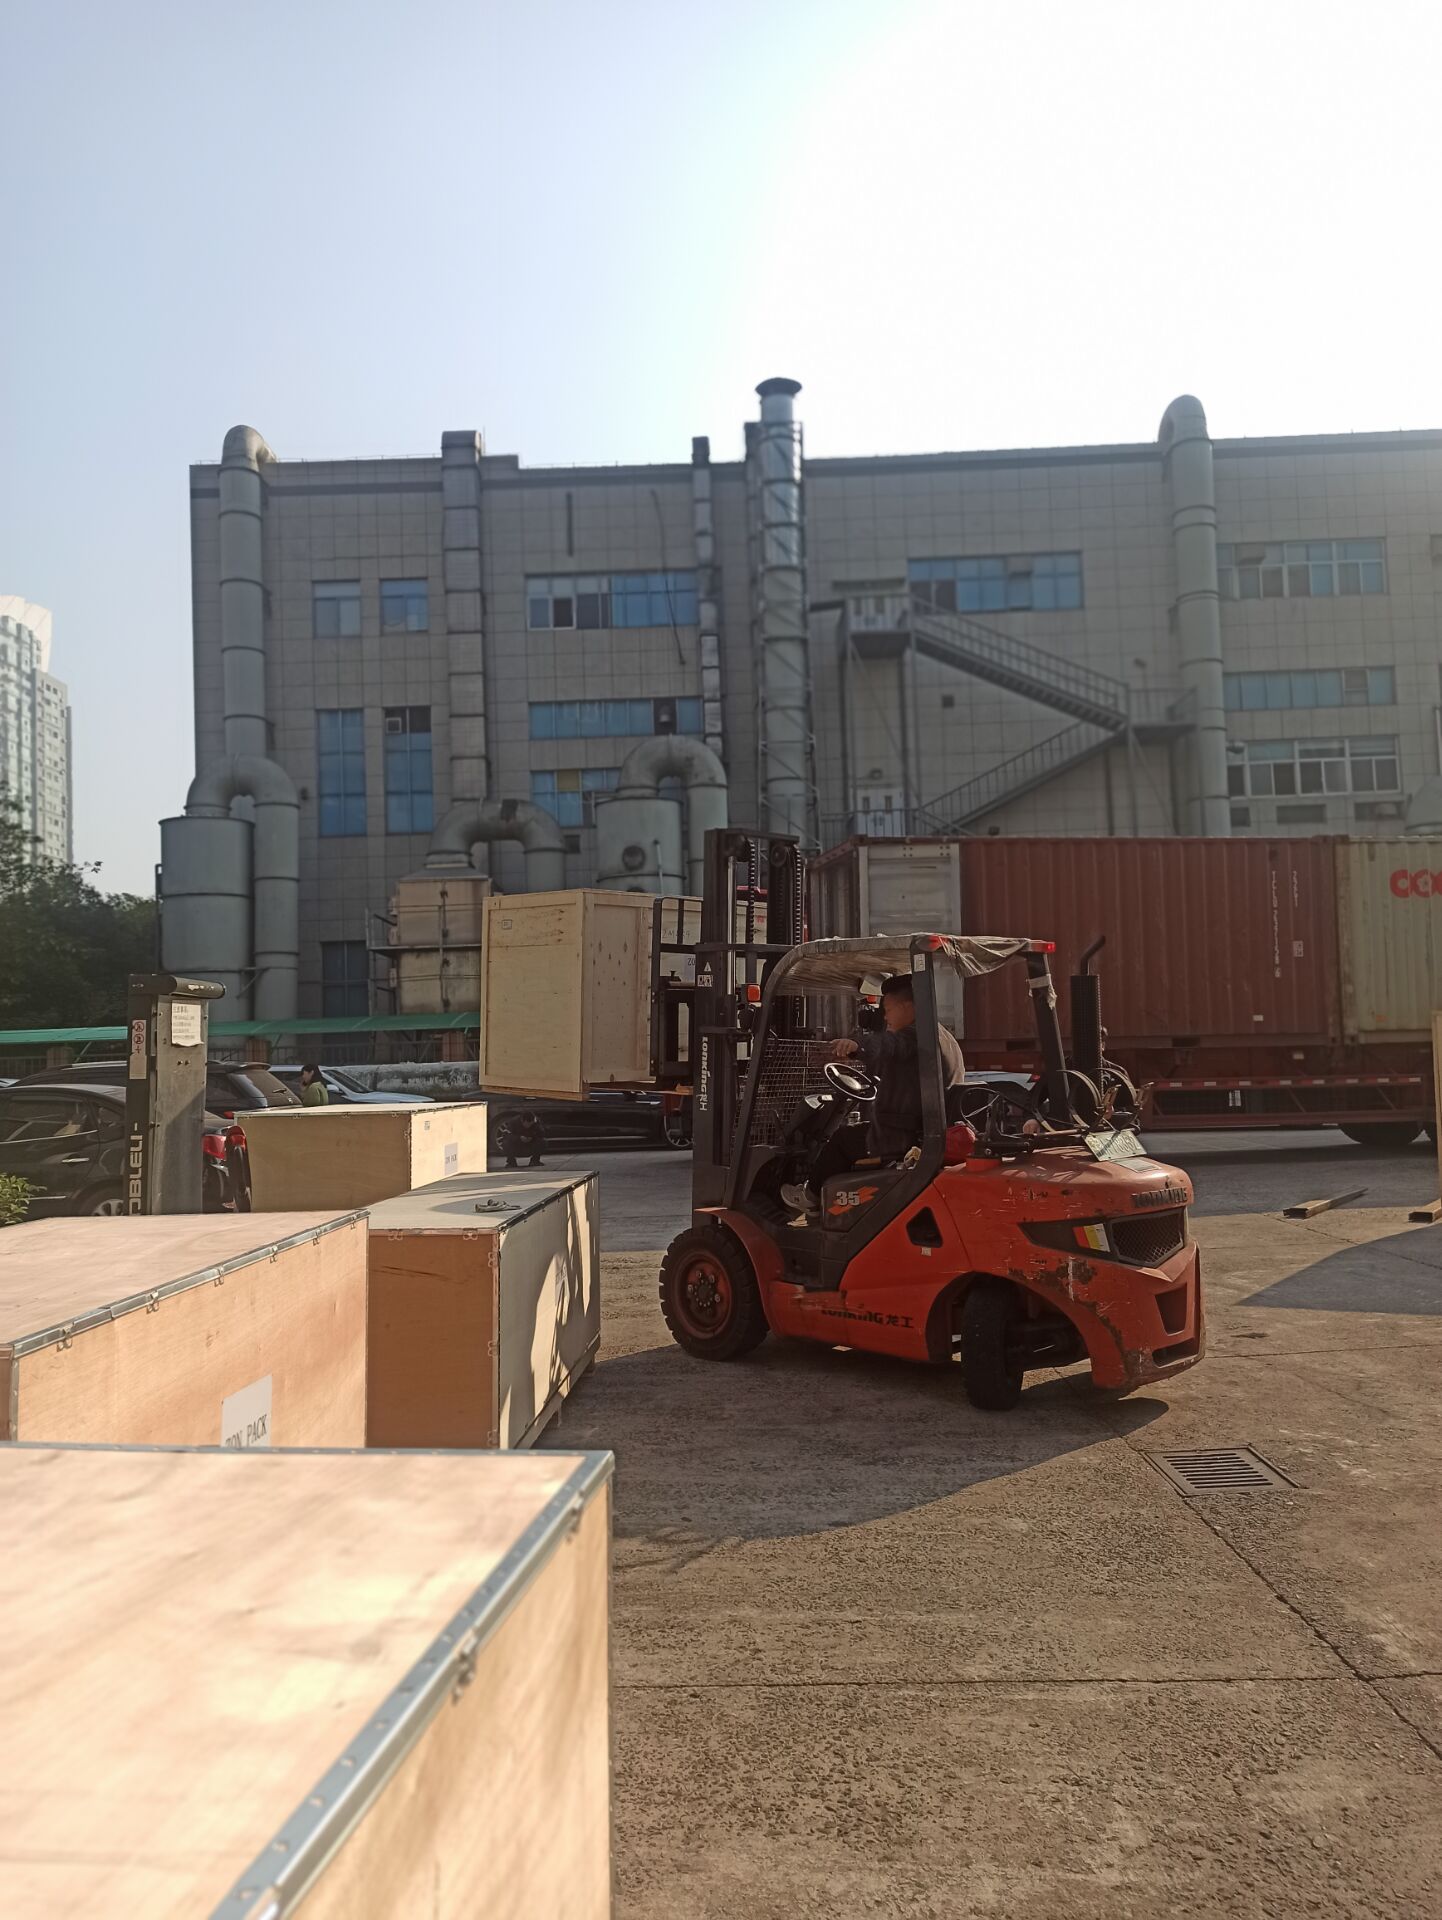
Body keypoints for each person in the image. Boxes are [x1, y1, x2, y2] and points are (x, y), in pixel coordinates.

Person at [780, 975, 964, 1217]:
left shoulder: (916, 1036)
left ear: (907, 1006)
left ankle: (810, 1197)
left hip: (903, 1136)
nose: (885, 1017)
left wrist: (857, 1046)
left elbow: (889, 1045)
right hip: (923, 1131)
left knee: (842, 1140)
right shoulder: (943, 1036)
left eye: (888, 1010)